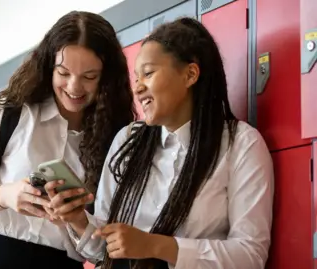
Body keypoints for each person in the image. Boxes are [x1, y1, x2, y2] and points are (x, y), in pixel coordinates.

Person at [45, 17, 274, 269]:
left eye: (149, 73)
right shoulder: (128, 140)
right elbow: (103, 250)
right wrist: (78, 219)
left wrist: (156, 245)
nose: (138, 88)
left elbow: (250, 255)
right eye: (136, 77)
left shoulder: (242, 144)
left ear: (190, 74)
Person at [0, 10, 136, 269]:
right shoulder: (13, 115)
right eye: (64, 73)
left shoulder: (116, 141)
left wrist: (77, 220)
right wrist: (6, 195)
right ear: (49, 67)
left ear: (106, 78)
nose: (74, 87)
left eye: (89, 77)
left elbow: (105, 251)